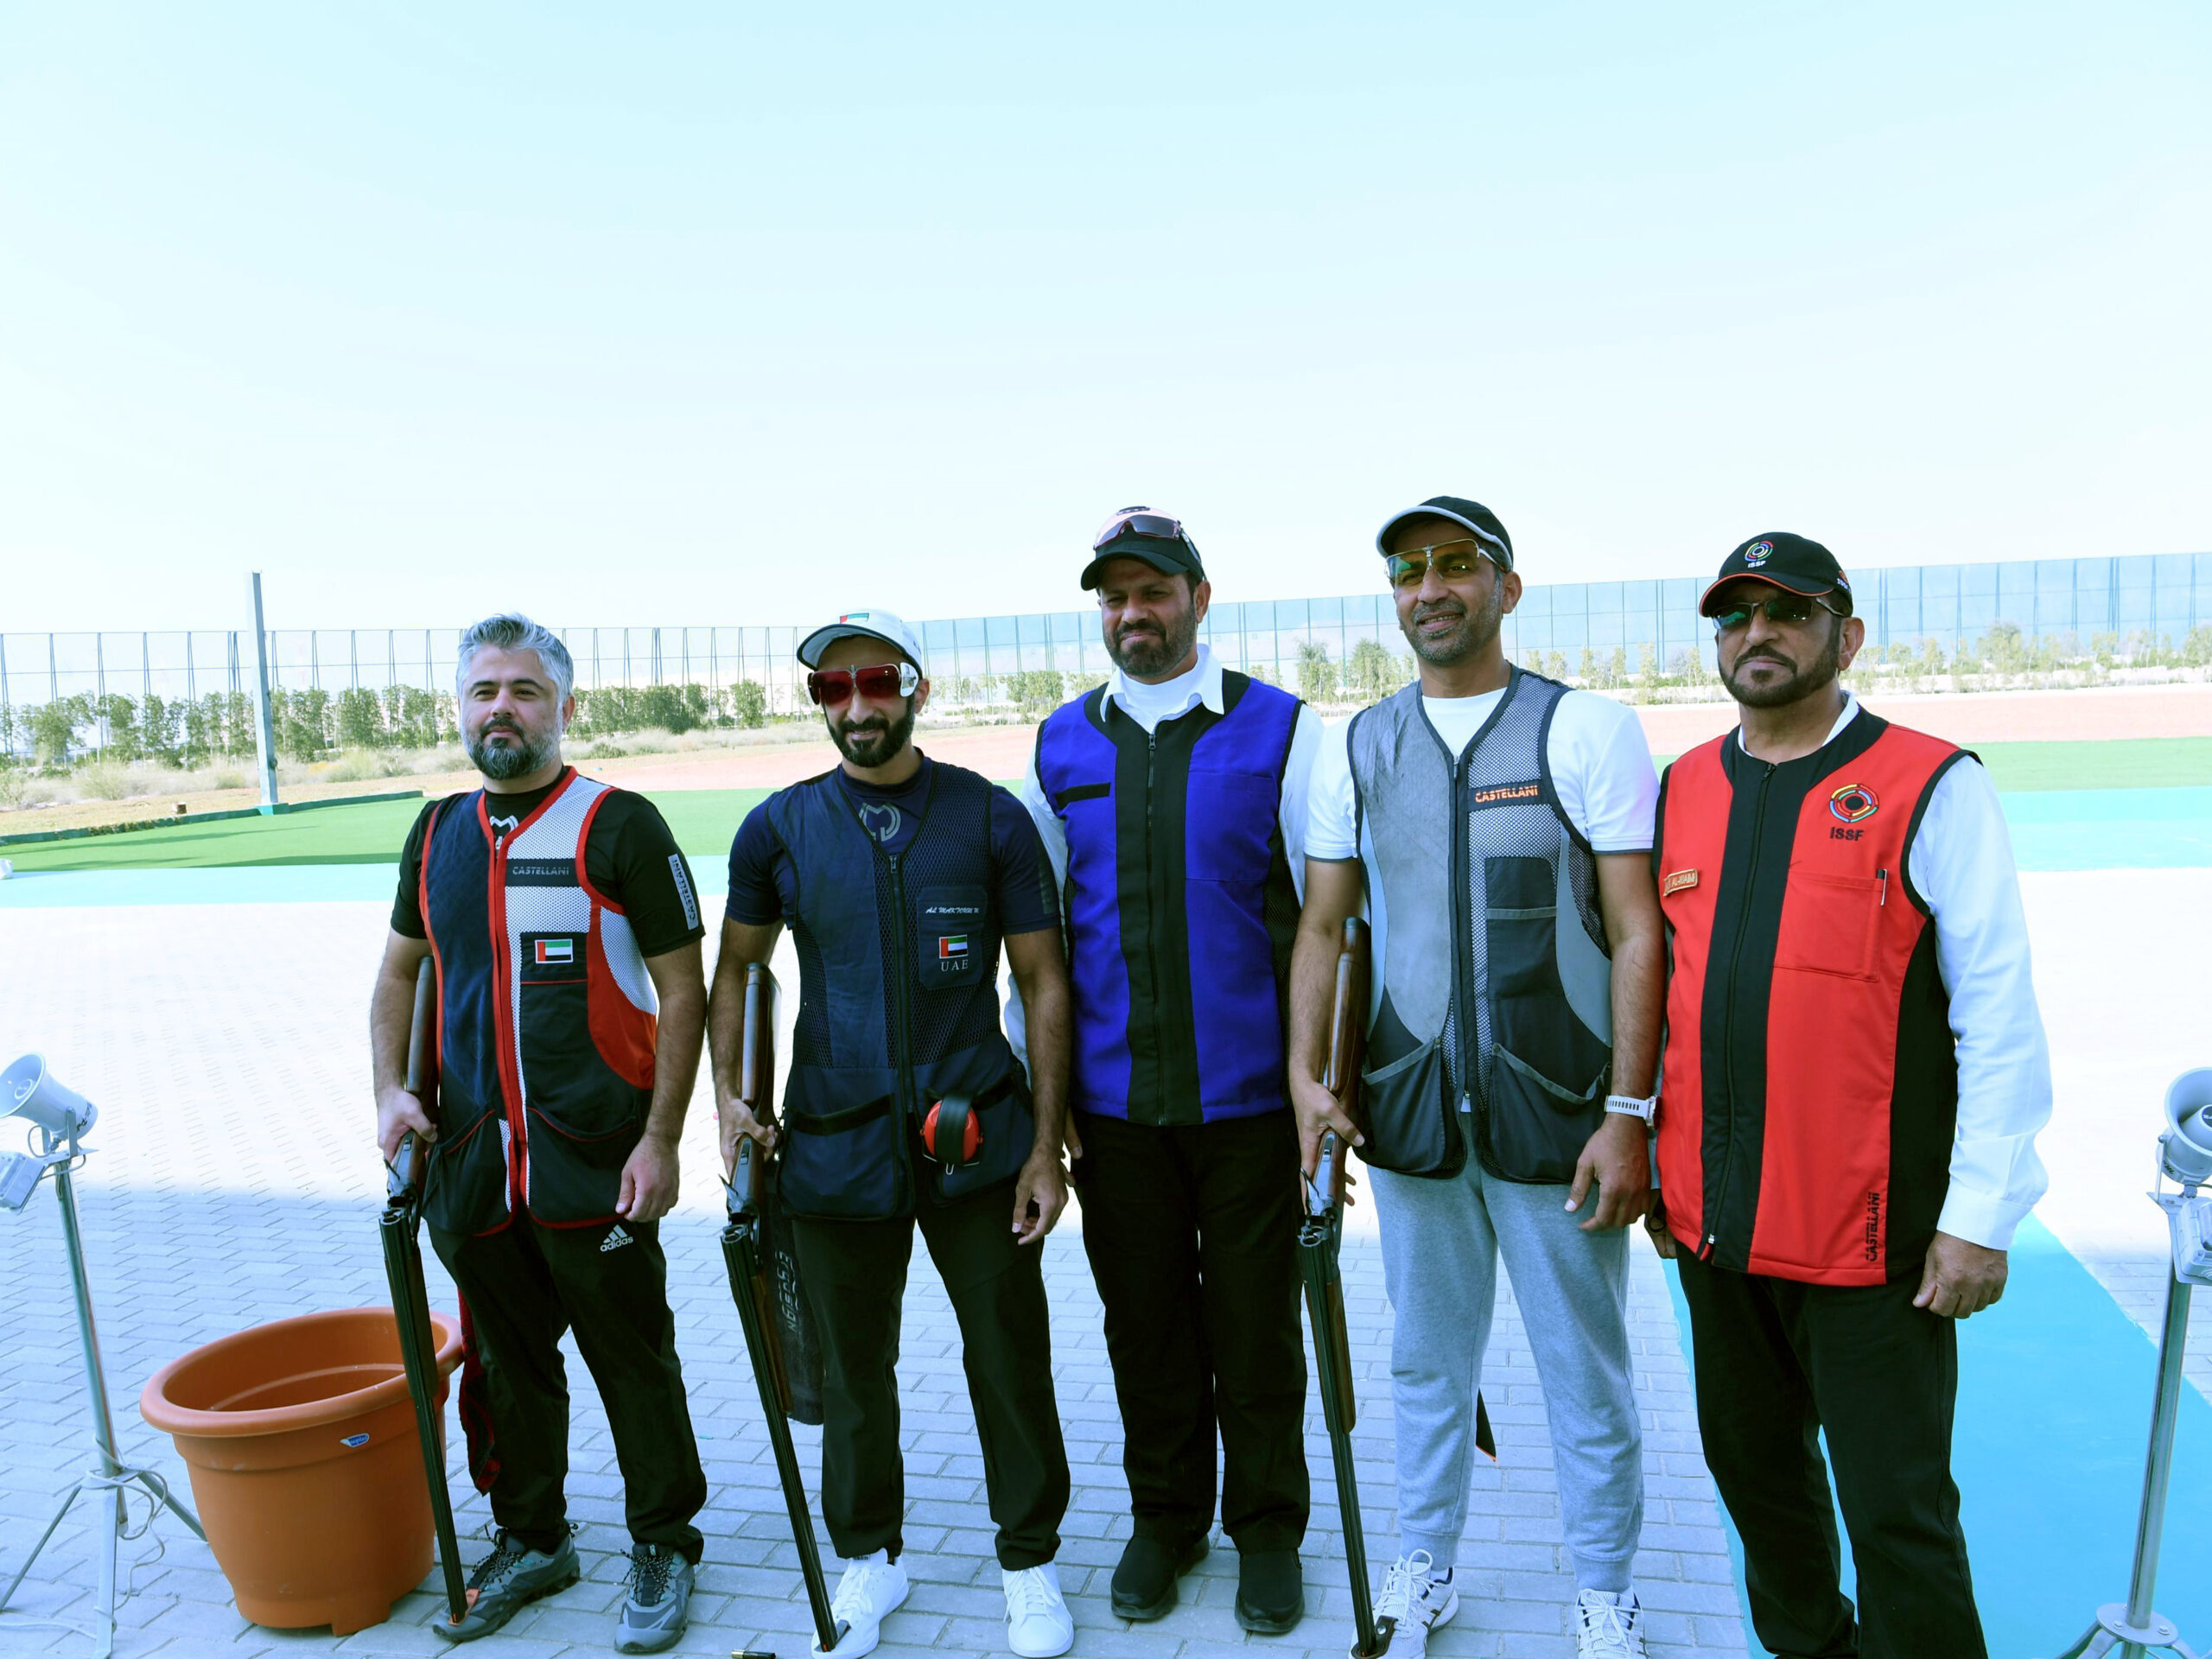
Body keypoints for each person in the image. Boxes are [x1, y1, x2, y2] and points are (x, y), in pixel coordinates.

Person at [1647, 533, 2051, 1659]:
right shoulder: (1681, 788)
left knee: (1895, 1514)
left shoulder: (1932, 783)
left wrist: (1981, 1215)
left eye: (1788, 613)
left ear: (1846, 635)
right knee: (1761, 1492)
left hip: (1873, 1245)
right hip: (1718, 1232)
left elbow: (1999, 1014)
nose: (1758, 635)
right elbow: (1663, 994)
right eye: (1736, 617)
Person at [1289, 497, 1664, 1659]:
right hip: (1410, 1115)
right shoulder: (1358, 744)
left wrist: (1629, 1111)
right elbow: (1323, 929)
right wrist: (1307, 1081)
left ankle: (1605, 1594)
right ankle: (1425, 1568)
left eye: (1456, 564)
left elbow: (1638, 931)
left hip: (1557, 1116)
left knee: (1584, 1377)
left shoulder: (1584, 729)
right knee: (1425, 1364)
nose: (1431, 588)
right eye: (1409, 570)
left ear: (1507, 585)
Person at [709, 609, 1078, 1659]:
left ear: (915, 687)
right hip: (833, 1144)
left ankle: (1030, 1561)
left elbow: (1044, 982)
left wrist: (1045, 1148)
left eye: (876, 681)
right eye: (834, 688)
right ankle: (869, 1558)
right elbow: (737, 969)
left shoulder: (988, 817)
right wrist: (731, 1102)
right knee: (851, 1369)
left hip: (978, 1137)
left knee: (1008, 1355)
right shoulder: (777, 828)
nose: (857, 705)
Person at [369, 613, 709, 1653]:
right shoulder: (436, 833)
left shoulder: (618, 823)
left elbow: (684, 991)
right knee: (506, 1366)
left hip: (596, 1160)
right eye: (484, 691)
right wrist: (389, 1093)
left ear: (564, 705)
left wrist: (662, 1140)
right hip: (472, 1167)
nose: (502, 709)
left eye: (524, 689)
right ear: (460, 709)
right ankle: (533, 1537)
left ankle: (664, 1542)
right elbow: (399, 973)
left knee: (632, 1360)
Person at [1014, 506, 1323, 1634]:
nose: (1133, 613)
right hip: (1113, 1114)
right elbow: (1038, 947)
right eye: (1115, 597)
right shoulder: (1060, 744)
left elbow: (1328, 921)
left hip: (1251, 1108)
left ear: (1199, 597)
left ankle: (1269, 1531)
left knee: (1254, 1332)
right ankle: (1168, 1518)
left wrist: (1322, 1083)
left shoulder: (1283, 729)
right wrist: (1045, 1107)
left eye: (1153, 592)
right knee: (1144, 1330)